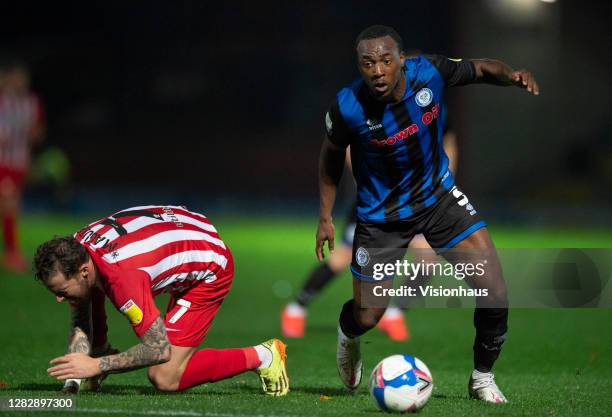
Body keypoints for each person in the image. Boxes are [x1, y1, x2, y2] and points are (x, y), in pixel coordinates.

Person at [315, 25, 539, 403]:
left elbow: (482, 68)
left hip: (439, 201)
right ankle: (348, 332)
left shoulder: (429, 72)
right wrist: (325, 216)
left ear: (401, 60)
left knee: (494, 290)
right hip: (381, 219)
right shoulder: (347, 106)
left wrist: (513, 75)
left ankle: (482, 377)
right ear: (360, 66)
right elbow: (330, 156)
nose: (378, 71)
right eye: (368, 63)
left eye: (386, 61)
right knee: (369, 316)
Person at [33, 205, 289, 396]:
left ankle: (263, 356)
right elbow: (82, 315)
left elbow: (158, 348)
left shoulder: (123, 279)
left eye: (61, 290)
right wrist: (73, 381)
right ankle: (100, 352)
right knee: (86, 296)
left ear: (83, 271)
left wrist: (96, 365)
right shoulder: (78, 248)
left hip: (210, 268)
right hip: (183, 227)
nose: (58, 298)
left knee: (164, 377)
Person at [281, 125, 458, 341]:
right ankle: (296, 308)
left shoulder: (424, 104)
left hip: (416, 201)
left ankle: (394, 314)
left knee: (428, 257)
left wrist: (443, 178)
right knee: (342, 259)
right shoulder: (369, 106)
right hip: (376, 201)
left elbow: (447, 140)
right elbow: (344, 142)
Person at [0, 60, 45, 272]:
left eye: (23, 77)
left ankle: (11, 252)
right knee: (9, 203)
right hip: (2, 161)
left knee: (11, 206)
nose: (19, 81)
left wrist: (31, 135)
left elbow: (38, 132)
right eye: (15, 76)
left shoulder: (32, 103)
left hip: (19, 162)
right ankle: (12, 253)